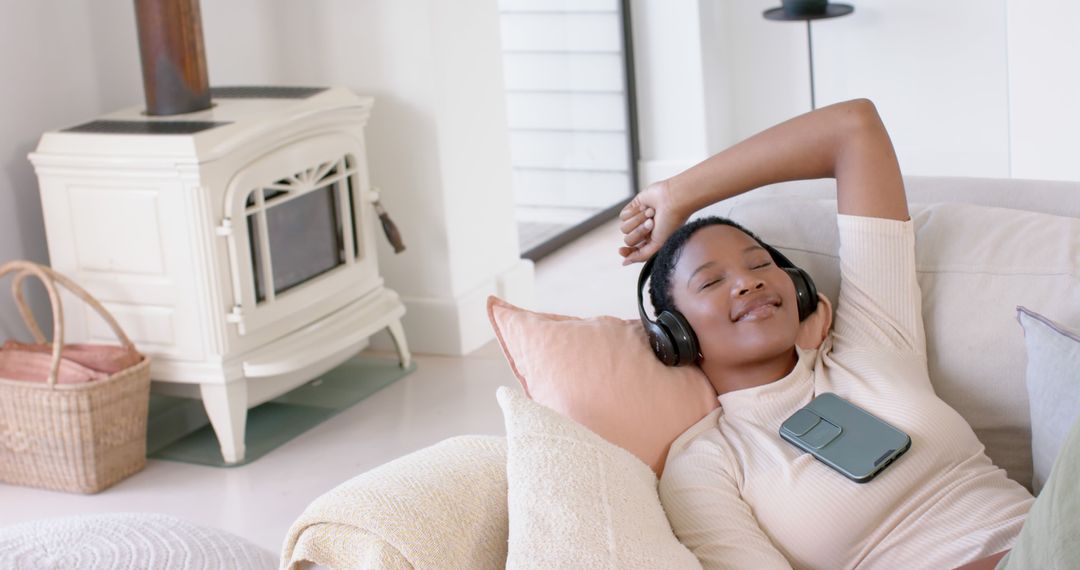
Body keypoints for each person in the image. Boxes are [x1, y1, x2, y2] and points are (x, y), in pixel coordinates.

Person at [617, 99, 1077, 569]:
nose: (748, 281)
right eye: (712, 282)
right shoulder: (708, 463)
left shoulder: (868, 344)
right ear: (675, 334)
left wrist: (678, 194)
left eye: (760, 264)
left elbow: (853, 128)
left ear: (797, 287)